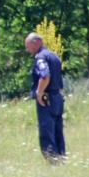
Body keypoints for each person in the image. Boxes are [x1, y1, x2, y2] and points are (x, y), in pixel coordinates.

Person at [25, 32, 65, 161]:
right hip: (58, 97)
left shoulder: (40, 57)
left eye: (27, 46)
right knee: (58, 131)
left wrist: (39, 93)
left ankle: (52, 161)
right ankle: (61, 157)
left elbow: (45, 75)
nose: (27, 50)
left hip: (47, 99)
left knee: (46, 131)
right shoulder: (53, 55)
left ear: (35, 43)